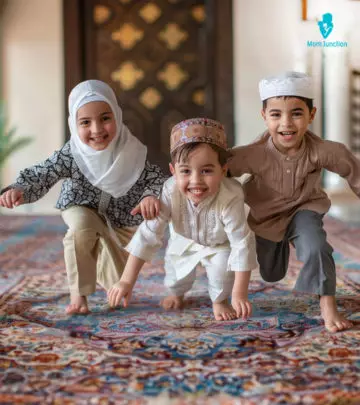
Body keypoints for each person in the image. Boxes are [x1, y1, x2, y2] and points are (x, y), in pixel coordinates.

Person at [0, 80, 167, 315]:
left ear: (117, 116)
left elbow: (156, 179)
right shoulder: (72, 152)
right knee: (81, 228)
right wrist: (20, 188)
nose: (97, 129)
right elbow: (44, 173)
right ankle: (79, 297)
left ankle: (97, 257)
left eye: (105, 118)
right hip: (80, 206)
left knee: (117, 282)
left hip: (119, 220)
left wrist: (150, 196)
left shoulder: (132, 150)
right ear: (73, 124)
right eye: (85, 122)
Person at [227, 71, 357, 333]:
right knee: (271, 273)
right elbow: (216, 170)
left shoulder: (323, 150)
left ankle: (328, 306)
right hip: (264, 219)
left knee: (316, 246)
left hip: (304, 209)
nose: (286, 123)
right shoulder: (252, 154)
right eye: (276, 114)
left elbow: (353, 169)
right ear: (264, 116)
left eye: (296, 113)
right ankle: (280, 248)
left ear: (311, 114)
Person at [107, 118, 258, 321]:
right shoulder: (169, 191)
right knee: (175, 278)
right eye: (186, 171)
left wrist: (239, 295)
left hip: (220, 244)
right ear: (173, 171)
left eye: (206, 170)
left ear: (223, 169)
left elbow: (241, 243)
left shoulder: (231, 196)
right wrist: (126, 281)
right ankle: (176, 293)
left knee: (223, 273)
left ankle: (219, 301)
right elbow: (148, 235)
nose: (196, 180)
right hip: (184, 240)